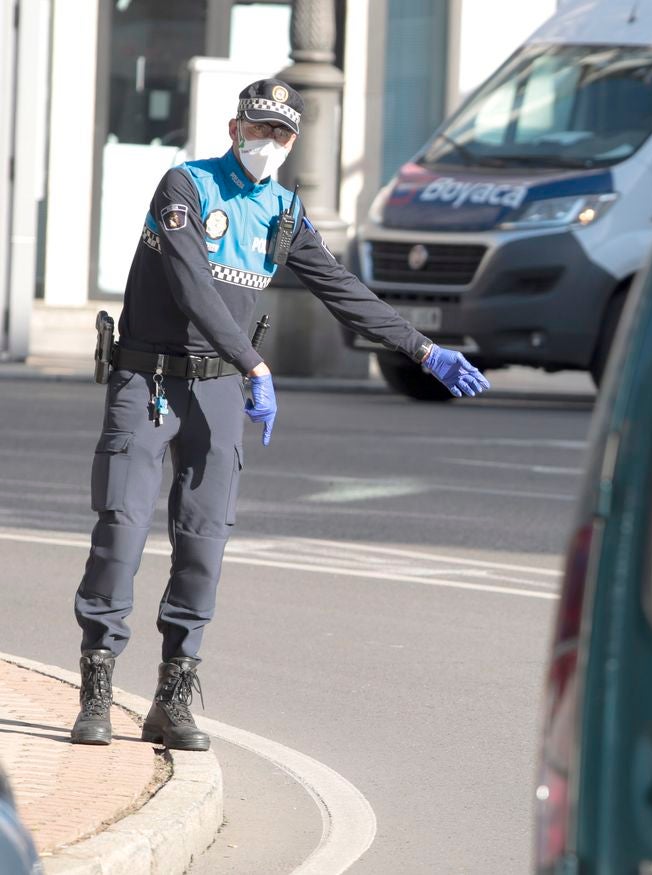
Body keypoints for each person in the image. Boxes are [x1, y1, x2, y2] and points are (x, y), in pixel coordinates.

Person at [70, 79, 490, 751]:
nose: (268, 143)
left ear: (293, 142)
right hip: (147, 378)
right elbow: (191, 289)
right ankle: (95, 685)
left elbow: (343, 289)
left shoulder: (284, 213)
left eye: (281, 134)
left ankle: (172, 694)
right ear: (234, 127)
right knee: (121, 528)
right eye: (259, 129)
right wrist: (256, 365)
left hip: (217, 390)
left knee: (203, 542)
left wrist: (423, 348)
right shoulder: (185, 187)